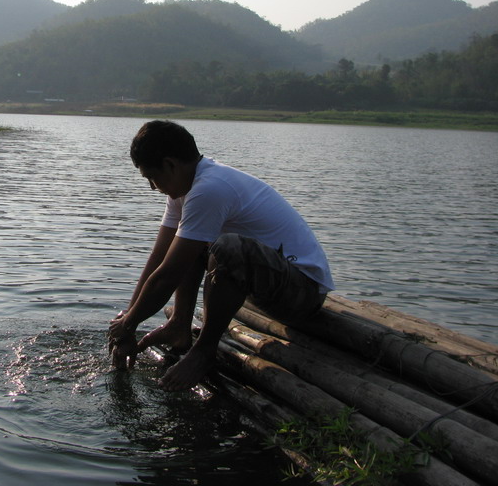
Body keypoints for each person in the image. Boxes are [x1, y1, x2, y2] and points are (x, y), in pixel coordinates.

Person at [108, 120, 334, 391]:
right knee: (189, 245)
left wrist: (129, 323)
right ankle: (179, 325)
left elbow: (168, 276)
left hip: (302, 295)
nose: (152, 188)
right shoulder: (184, 190)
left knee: (226, 248)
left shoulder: (210, 189)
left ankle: (204, 350)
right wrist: (128, 323)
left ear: (171, 165)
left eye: (151, 178)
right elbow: (160, 259)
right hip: (269, 283)